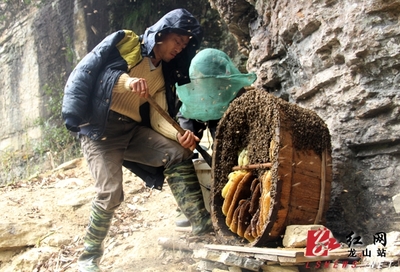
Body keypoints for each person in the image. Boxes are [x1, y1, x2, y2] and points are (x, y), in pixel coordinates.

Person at [62, 9, 212, 272]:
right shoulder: (130, 43)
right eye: (178, 40)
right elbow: (103, 77)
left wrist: (179, 134)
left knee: (177, 153)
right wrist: (128, 82)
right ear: (162, 33)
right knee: (110, 193)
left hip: (131, 131)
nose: (180, 47)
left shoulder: (163, 72)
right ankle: (89, 258)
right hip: (101, 133)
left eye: (185, 45)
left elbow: (158, 115)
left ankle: (202, 225)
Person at [174, 48, 257, 226]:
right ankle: (192, 210)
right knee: (179, 150)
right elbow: (185, 116)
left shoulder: (240, 97)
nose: (205, 86)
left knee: (230, 158)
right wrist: (186, 136)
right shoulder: (193, 92)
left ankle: (235, 207)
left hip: (231, 136)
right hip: (199, 121)